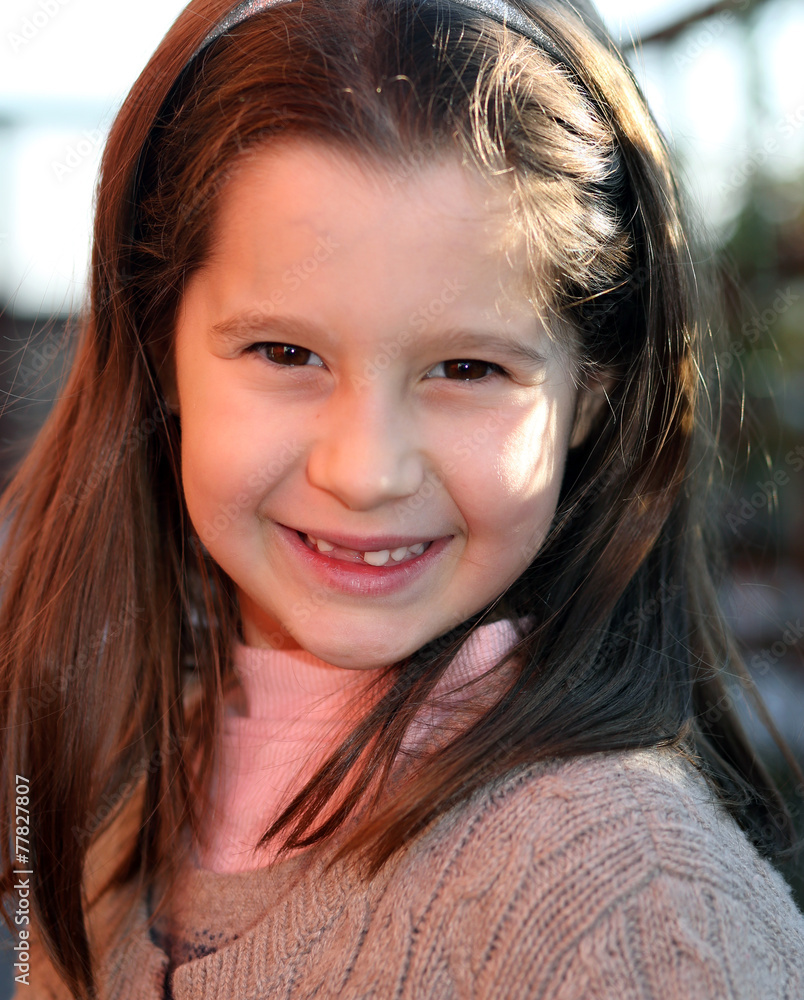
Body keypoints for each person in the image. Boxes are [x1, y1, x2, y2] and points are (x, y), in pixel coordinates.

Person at [2, 0, 804, 996]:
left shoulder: (637, 915)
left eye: (467, 368)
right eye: (285, 352)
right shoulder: (111, 797)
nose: (366, 471)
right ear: (161, 351)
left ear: (591, 393)